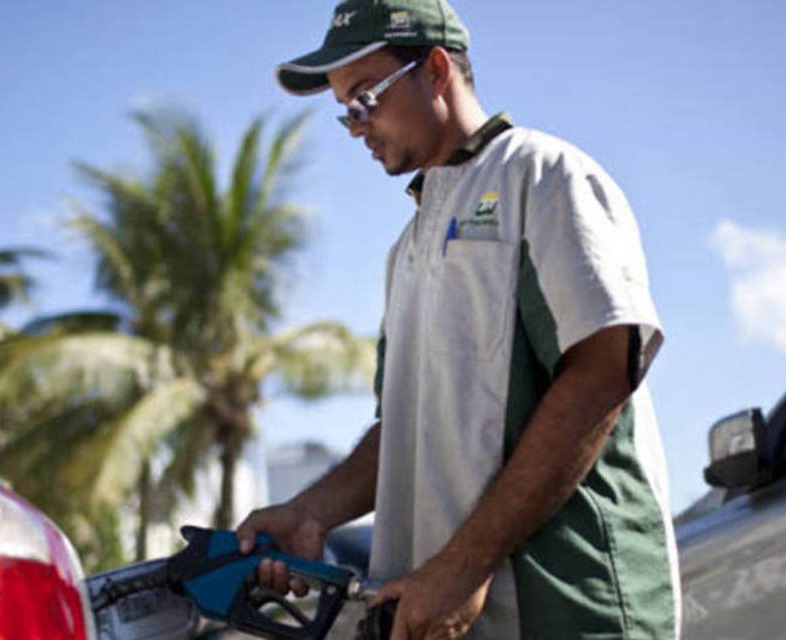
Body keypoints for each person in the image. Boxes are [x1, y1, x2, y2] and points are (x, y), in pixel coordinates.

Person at [237, 1, 681, 638]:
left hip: (570, 607)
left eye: (364, 99)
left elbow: (602, 374)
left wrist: (464, 565)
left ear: (437, 69)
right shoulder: (408, 249)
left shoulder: (545, 175)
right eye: (343, 111)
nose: (355, 126)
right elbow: (405, 429)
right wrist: (310, 513)